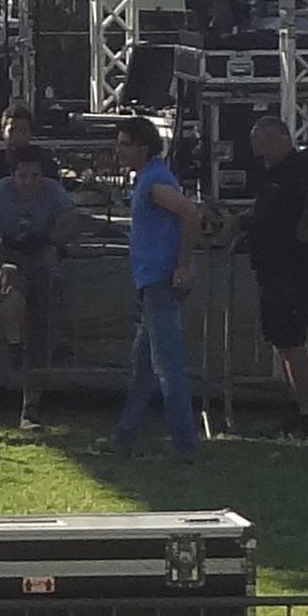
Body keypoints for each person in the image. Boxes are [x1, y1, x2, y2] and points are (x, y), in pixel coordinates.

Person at [103, 115, 202, 455]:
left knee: (168, 366)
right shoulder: (149, 178)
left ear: (143, 148)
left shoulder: (155, 182)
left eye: (124, 144)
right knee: (143, 367)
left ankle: (185, 445)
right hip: (150, 280)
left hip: (160, 279)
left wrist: (183, 266)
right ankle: (124, 436)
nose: (118, 150)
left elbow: (189, 213)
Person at [0, 137, 76, 432]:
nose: (28, 182)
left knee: (40, 337)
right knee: (10, 285)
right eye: (22, 175)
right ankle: (14, 344)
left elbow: (71, 220)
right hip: (8, 258)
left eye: (35, 176)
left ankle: (31, 408)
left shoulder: (53, 191)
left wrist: (50, 238)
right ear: (12, 174)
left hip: (42, 262)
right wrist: (1, 239)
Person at [239, 112, 308, 437]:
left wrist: (304, 226)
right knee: (282, 343)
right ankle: (295, 410)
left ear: (279, 138)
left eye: (261, 141)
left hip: (292, 268)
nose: (256, 149)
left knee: (292, 342)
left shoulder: (301, 166)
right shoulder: (270, 175)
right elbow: (265, 211)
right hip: (271, 267)